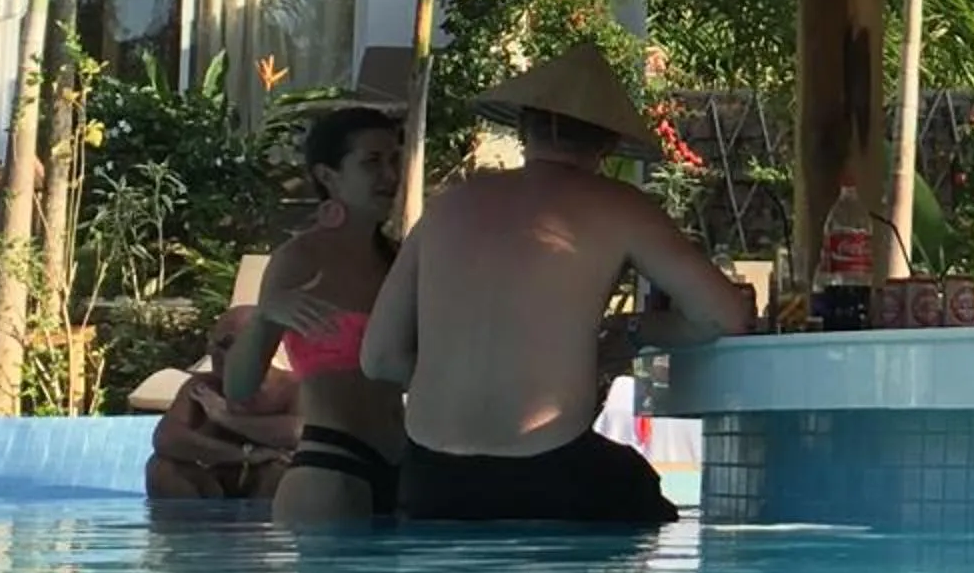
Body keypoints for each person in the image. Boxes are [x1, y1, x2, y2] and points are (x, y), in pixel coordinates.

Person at [363, 42, 758, 524]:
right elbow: (726, 315)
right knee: (645, 496)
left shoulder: (449, 205)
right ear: (609, 143)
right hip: (550, 473)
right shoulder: (620, 206)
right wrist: (634, 330)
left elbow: (379, 358)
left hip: (430, 478)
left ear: (524, 127)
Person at [225, 105, 409, 523]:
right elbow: (238, 387)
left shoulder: (398, 259)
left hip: (404, 466)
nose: (390, 176)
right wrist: (267, 316)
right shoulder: (300, 259)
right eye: (372, 162)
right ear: (328, 177)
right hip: (332, 465)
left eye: (394, 159)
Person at [144, 306, 299, 502]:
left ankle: (259, 529)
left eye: (226, 344)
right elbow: (166, 439)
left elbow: (298, 433)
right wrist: (246, 455)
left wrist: (227, 418)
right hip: (214, 482)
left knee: (282, 471)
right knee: (161, 469)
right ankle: (192, 530)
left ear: (262, 348)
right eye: (212, 343)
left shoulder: (292, 387)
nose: (213, 353)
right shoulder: (203, 387)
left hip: (265, 486)